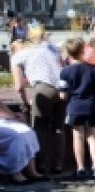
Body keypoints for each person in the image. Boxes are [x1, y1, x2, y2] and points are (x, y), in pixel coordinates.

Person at [11, 25, 64, 175]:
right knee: (58, 128)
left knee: (39, 127)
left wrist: (24, 101)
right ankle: (58, 164)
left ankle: (43, 165)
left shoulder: (19, 56)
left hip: (43, 89)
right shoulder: (52, 50)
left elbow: (18, 86)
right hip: (62, 90)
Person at [56, 38, 95, 179]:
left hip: (75, 107)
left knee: (78, 137)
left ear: (68, 53)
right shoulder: (94, 70)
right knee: (93, 137)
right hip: (91, 106)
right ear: (83, 51)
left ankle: (81, 168)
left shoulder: (65, 72)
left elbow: (62, 95)